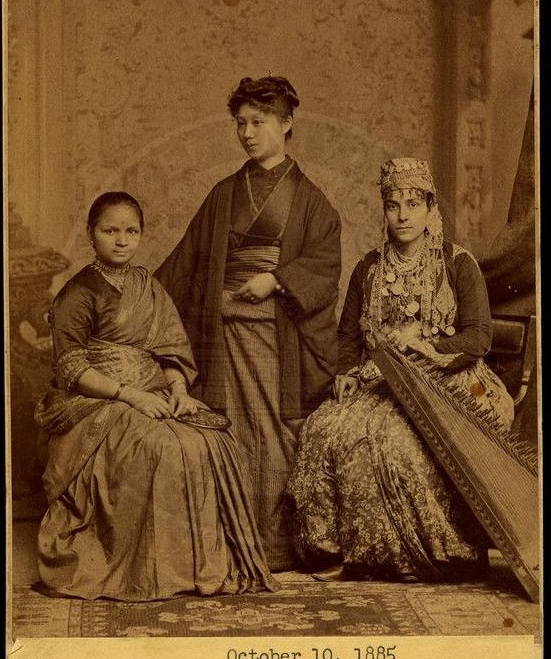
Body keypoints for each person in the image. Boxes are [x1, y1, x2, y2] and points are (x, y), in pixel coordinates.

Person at [34, 192, 277, 601]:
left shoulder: (148, 285)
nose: (121, 240)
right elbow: (72, 370)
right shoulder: (77, 293)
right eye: (110, 231)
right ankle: (152, 570)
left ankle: (204, 565)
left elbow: (170, 349)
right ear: (92, 235)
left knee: (212, 440)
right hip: (98, 402)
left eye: (131, 231)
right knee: (161, 446)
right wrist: (132, 397)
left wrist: (179, 390)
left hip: (156, 391)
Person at [286, 157, 515, 583]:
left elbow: (478, 337)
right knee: (325, 426)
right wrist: (347, 372)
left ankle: (426, 554)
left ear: (430, 208)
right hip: (383, 379)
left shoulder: (457, 263)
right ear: (384, 211)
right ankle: (341, 551)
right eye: (393, 205)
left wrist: (428, 346)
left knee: (391, 439)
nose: (403, 215)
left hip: (453, 379)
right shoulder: (369, 267)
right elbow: (349, 336)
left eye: (413, 204)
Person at [155, 76, 341, 571]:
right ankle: (232, 543)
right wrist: (138, 298)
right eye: (241, 124)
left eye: (259, 122)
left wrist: (278, 279)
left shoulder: (311, 201)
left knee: (275, 433)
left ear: (286, 124)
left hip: (275, 334)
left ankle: (275, 545)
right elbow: (186, 262)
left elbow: (324, 264)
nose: (248, 133)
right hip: (222, 332)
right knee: (229, 431)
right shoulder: (223, 194)